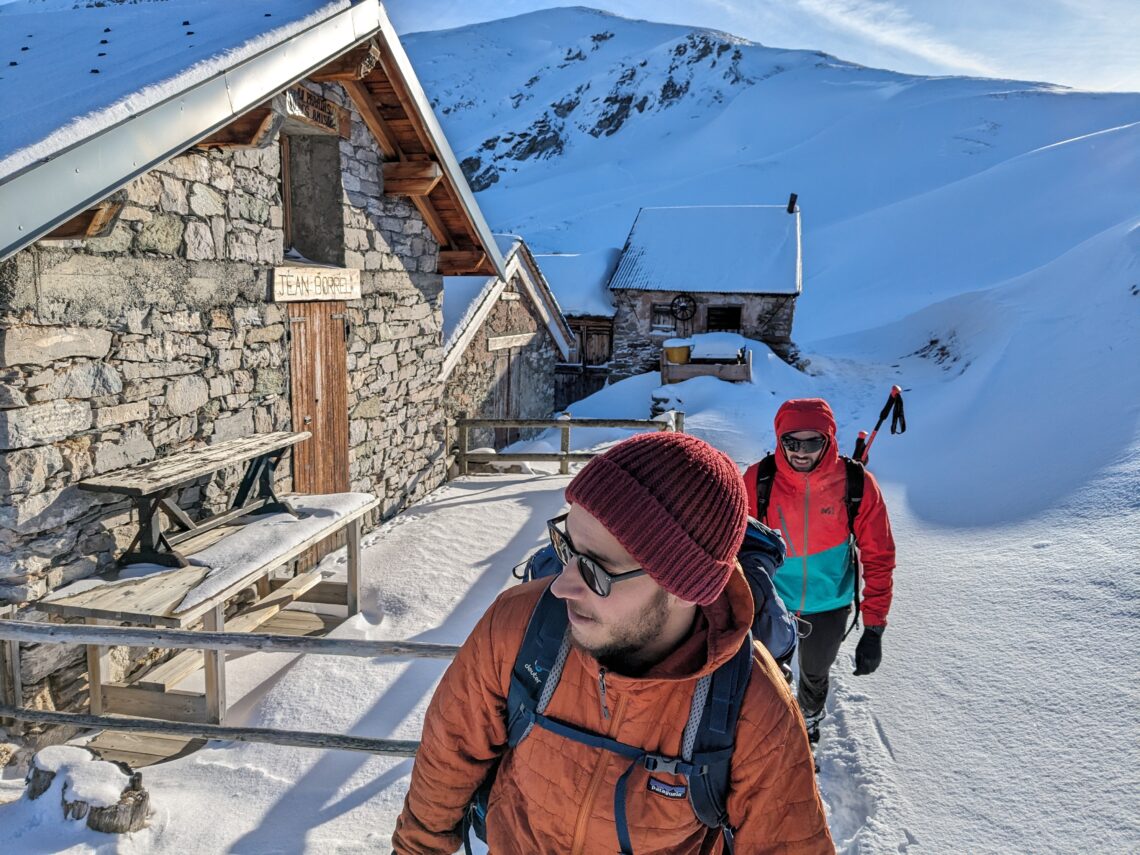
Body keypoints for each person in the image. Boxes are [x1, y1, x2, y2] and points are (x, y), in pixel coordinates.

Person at [393, 431, 833, 854]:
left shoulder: (751, 704)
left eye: (597, 570)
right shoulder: (519, 625)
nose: (562, 587)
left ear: (685, 588)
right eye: (568, 548)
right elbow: (448, 755)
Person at [743, 398, 896, 746]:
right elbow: (732, 541)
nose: (800, 452)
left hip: (829, 603)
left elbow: (879, 554)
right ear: (779, 440)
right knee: (765, 677)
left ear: (828, 439)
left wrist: (874, 627)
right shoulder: (758, 480)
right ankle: (769, 739)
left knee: (814, 674)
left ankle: (808, 724)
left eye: (812, 442)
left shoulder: (857, 484)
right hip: (771, 601)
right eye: (791, 442)